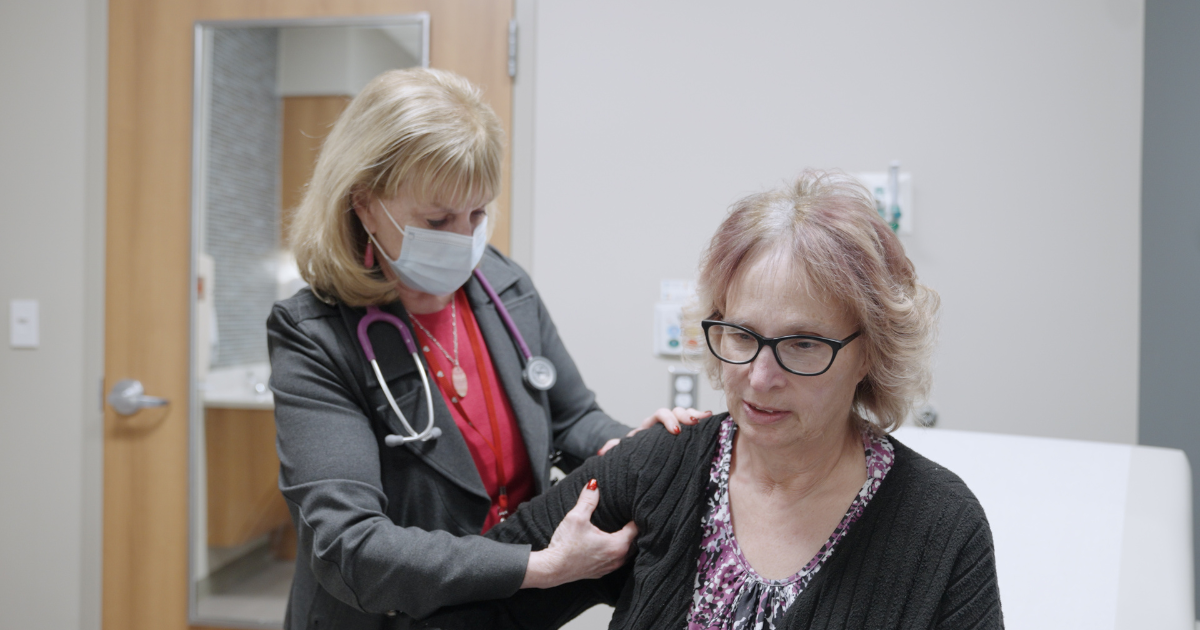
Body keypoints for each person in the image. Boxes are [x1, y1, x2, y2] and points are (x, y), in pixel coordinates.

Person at [430, 170, 1003, 629]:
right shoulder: (659, 467)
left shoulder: (939, 527)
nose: (758, 378)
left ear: (871, 353)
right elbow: (469, 607)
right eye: (741, 335)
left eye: (802, 344)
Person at [268, 68, 704, 630]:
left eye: (477, 214)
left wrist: (622, 445)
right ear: (364, 202)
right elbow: (351, 547)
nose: (464, 239)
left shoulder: (500, 283)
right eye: (437, 219)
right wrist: (534, 565)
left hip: (502, 613)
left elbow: (574, 416)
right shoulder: (315, 335)